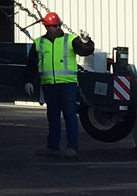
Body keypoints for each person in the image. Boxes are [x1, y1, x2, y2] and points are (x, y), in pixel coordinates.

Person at [25, 12, 91, 157]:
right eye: (52, 26)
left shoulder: (71, 40)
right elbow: (32, 64)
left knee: (69, 115)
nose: (56, 28)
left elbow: (85, 50)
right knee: (53, 116)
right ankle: (52, 147)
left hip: (68, 85)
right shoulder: (39, 43)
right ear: (46, 27)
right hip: (49, 85)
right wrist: (29, 80)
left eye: (57, 25)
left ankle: (72, 147)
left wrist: (87, 41)